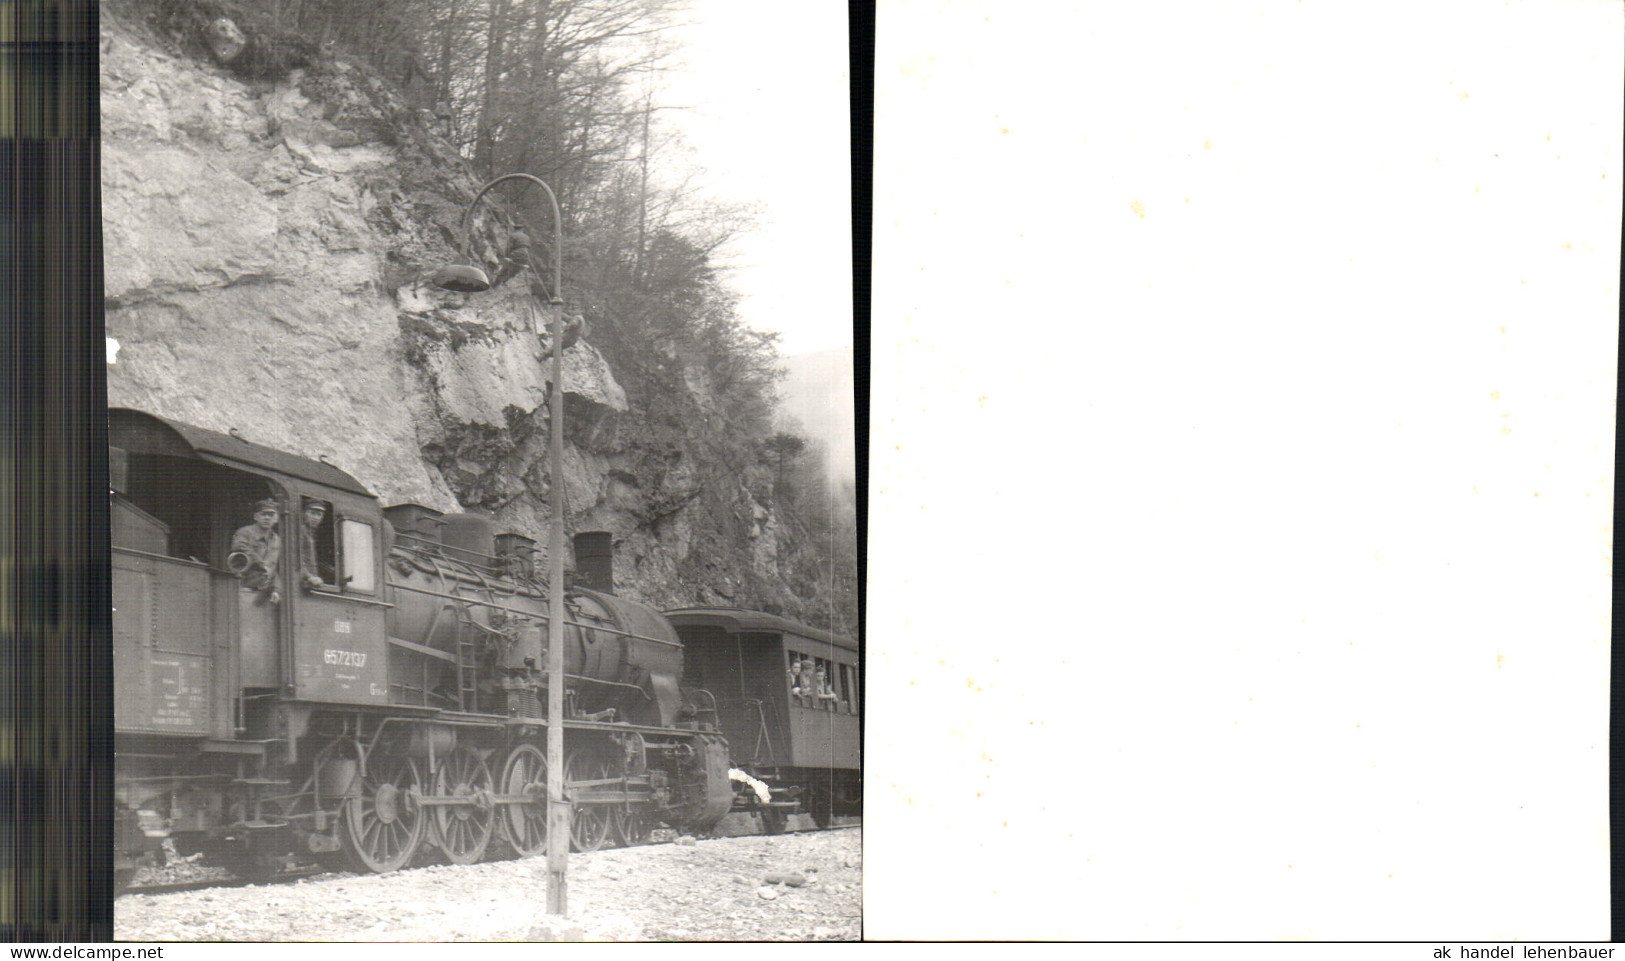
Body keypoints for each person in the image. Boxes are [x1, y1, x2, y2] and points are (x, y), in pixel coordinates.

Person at [230, 498, 281, 604]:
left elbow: (275, 567)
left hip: (265, 593)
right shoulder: (244, 532)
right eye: (263, 514)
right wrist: (259, 562)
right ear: (255, 517)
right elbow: (239, 548)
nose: (267, 518)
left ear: (276, 519)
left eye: (271, 515)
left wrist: (276, 589)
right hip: (244, 587)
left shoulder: (276, 539)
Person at [298, 497, 332, 589]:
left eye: (319, 515)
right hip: (303, 581)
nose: (315, 518)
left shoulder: (311, 533)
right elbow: (295, 559)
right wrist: (309, 576)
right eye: (312, 513)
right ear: (303, 513)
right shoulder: (300, 531)